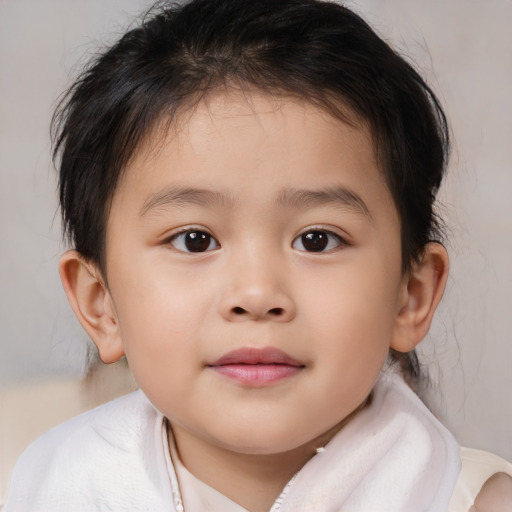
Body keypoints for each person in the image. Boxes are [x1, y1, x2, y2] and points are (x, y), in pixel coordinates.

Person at [3, 0, 512, 510]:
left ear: (411, 296)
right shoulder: (57, 487)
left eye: (317, 239)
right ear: (101, 304)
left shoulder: (469, 501)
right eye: (194, 240)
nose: (256, 294)